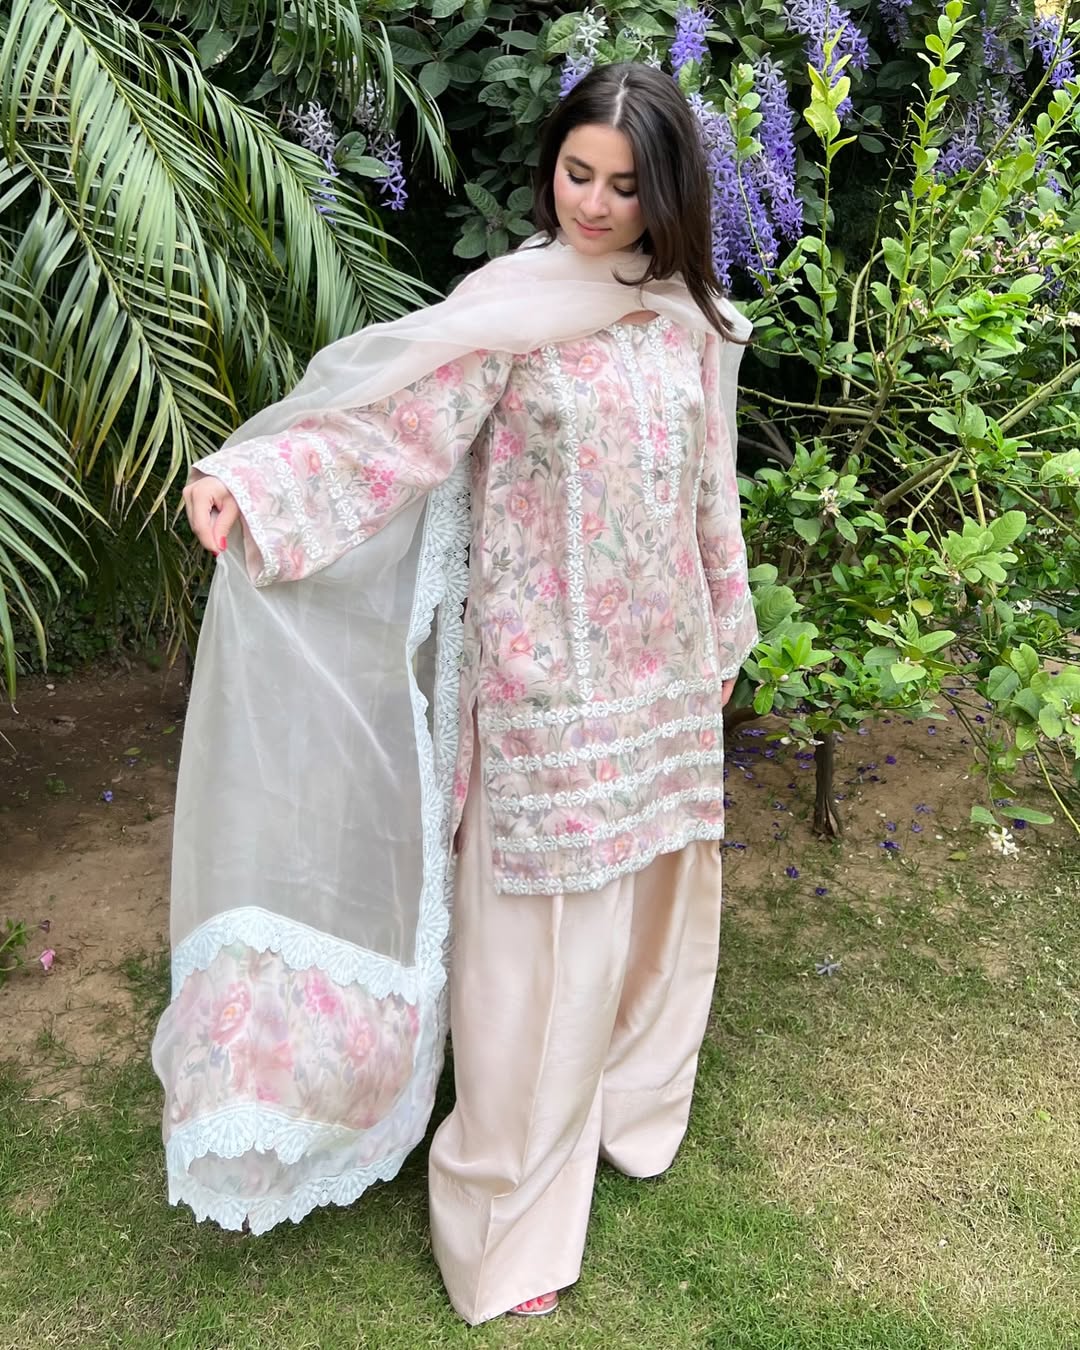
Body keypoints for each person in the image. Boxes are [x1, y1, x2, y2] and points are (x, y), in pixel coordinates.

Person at [151, 61, 757, 1325]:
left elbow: (712, 491)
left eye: (624, 186)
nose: (591, 204)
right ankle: (504, 1222)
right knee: (537, 973)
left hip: (662, 676)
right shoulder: (516, 308)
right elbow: (391, 429)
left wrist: (722, 633)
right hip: (543, 686)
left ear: (670, 195)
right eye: (575, 173)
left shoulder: (695, 322)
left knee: (654, 913)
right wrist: (253, 486)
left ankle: (632, 1110)